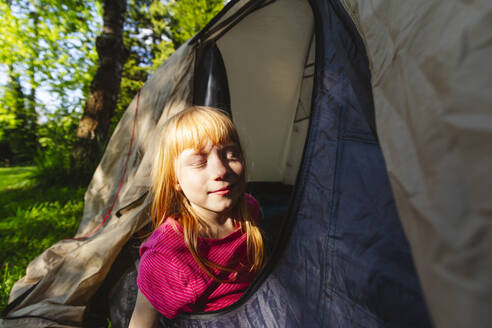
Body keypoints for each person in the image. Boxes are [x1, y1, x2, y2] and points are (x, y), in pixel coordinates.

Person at [129, 106, 265, 327]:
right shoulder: (167, 256)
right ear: (175, 179)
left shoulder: (249, 209)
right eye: (199, 162)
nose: (221, 170)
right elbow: (141, 323)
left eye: (231, 155)